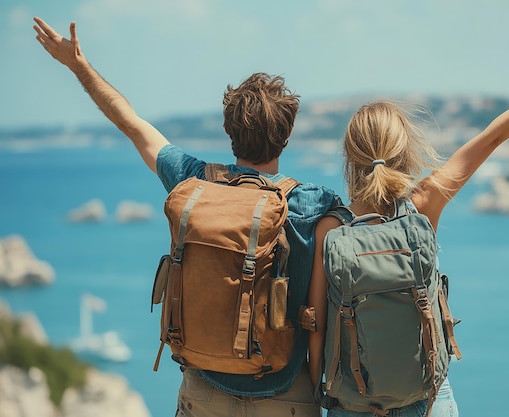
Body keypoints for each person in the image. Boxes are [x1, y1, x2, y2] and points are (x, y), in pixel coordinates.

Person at [33, 17, 343, 417]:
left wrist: (79, 66)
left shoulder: (195, 182)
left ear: (229, 130)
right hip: (286, 395)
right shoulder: (311, 204)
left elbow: (132, 124)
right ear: (286, 134)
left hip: (204, 390)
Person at [308, 42, 509, 417]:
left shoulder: (331, 228)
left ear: (350, 157)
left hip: (354, 404)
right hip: (427, 401)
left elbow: (315, 325)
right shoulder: (424, 203)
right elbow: (492, 138)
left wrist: (323, 397)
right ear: (403, 150)